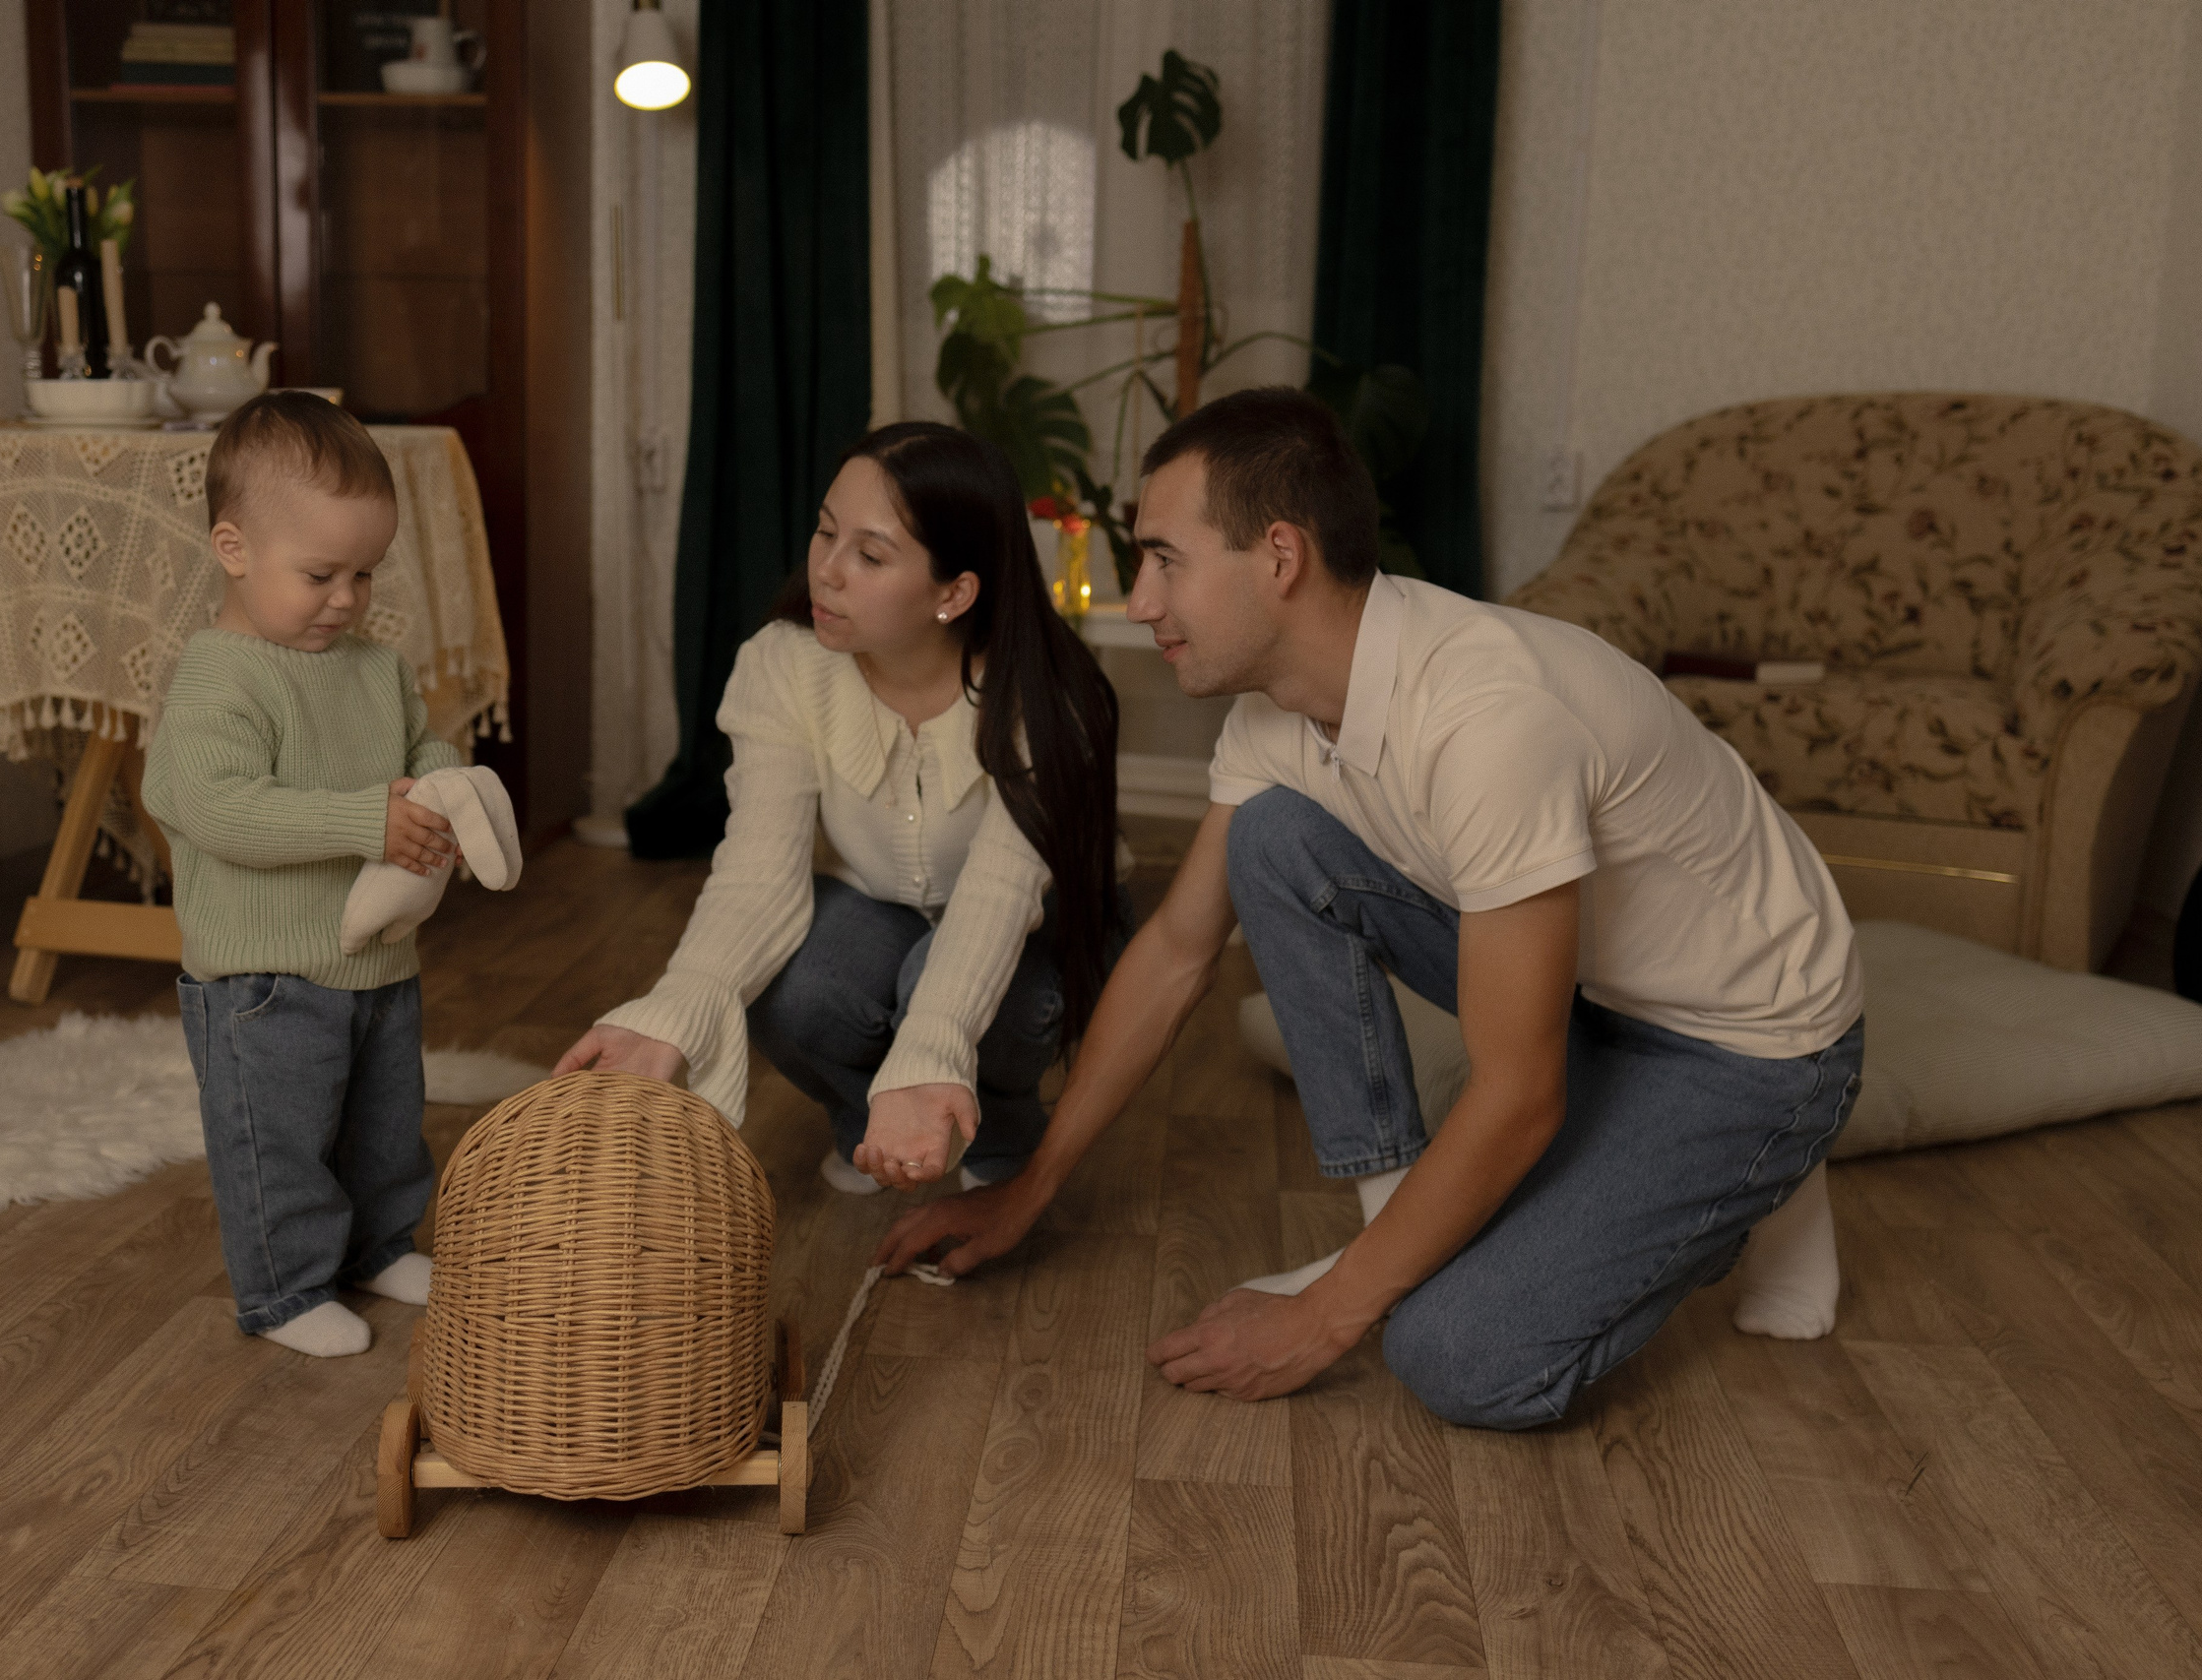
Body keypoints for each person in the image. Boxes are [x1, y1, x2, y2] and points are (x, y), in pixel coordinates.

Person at [875, 388, 1864, 1428]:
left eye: (1165, 559)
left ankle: (1759, 1169)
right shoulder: (1281, 711)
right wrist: (1028, 1191)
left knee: (1458, 1359)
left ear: (1279, 556)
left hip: (1751, 1046)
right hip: (1598, 993)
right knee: (1272, 840)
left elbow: (1520, 1093)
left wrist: (1328, 1315)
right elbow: (1174, 951)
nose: (1142, 601)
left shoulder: (1487, 721)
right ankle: (1394, 1226)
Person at [556, 423, 1125, 1192]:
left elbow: (996, 895)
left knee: (954, 982)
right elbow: (758, 873)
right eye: (826, 533)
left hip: (1036, 929)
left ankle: (1006, 1132)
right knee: (796, 979)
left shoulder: (1048, 693)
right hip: (883, 910)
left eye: (870, 554)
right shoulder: (782, 664)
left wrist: (932, 1043)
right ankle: (870, 1123)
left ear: (954, 592)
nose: (826, 570)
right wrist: (675, 1011)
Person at [146, 391, 469, 1359]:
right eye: (321, 573)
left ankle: (376, 1245)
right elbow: (211, 805)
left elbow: (425, 741)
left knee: (382, 1128)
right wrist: (363, 817)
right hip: (261, 979)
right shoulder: (221, 676)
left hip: (374, 960)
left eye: (365, 574)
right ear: (234, 548)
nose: (347, 598)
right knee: (275, 1143)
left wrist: (443, 781)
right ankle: (283, 1290)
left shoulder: (374, 667)